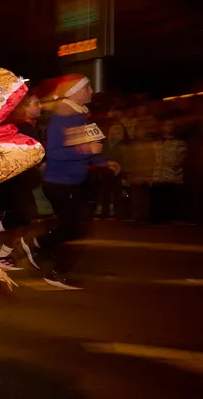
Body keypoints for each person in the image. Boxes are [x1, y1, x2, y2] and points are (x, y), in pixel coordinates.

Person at [21, 74, 120, 290]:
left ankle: (37, 244)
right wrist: (86, 149)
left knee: (74, 227)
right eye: (87, 88)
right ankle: (56, 273)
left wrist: (105, 161)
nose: (91, 91)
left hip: (73, 182)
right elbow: (54, 153)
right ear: (74, 92)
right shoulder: (61, 118)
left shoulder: (80, 117)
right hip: (58, 183)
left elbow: (88, 149)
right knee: (77, 228)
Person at [0, 92, 44, 270]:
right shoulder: (24, 128)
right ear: (24, 107)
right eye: (36, 104)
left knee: (23, 218)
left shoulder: (16, 126)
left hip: (14, 180)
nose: (40, 107)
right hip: (16, 181)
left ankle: (2, 255)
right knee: (24, 217)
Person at [150, 118, 187, 223]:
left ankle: (171, 219)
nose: (168, 127)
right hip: (157, 176)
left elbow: (180, 159)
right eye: (166, 125)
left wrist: (171, 164)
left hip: (172, 176)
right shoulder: (156, 142)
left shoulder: (179, 142)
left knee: (170, 199)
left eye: (170, 125)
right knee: (158, 200)